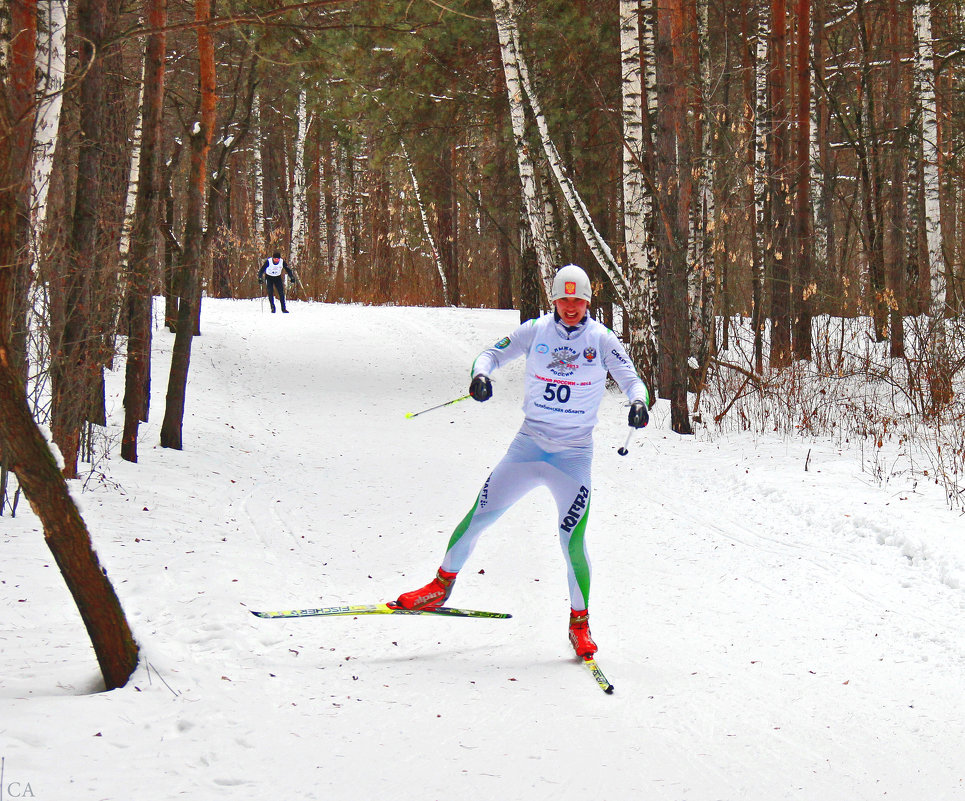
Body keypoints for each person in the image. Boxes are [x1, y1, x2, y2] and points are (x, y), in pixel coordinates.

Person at [395, 264, 650, 658]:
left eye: (577, 300)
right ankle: (439, 587)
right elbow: (490, 355)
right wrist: (481, 376)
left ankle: (579, 624)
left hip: (573, 456)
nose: (570, 307)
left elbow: (633, 380)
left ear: (587, 302)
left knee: (572, 541)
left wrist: (639, 404)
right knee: (479, 515)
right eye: (563, 299)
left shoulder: (601, 339)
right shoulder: (534, 331)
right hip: (528, 447)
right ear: (554, 300)